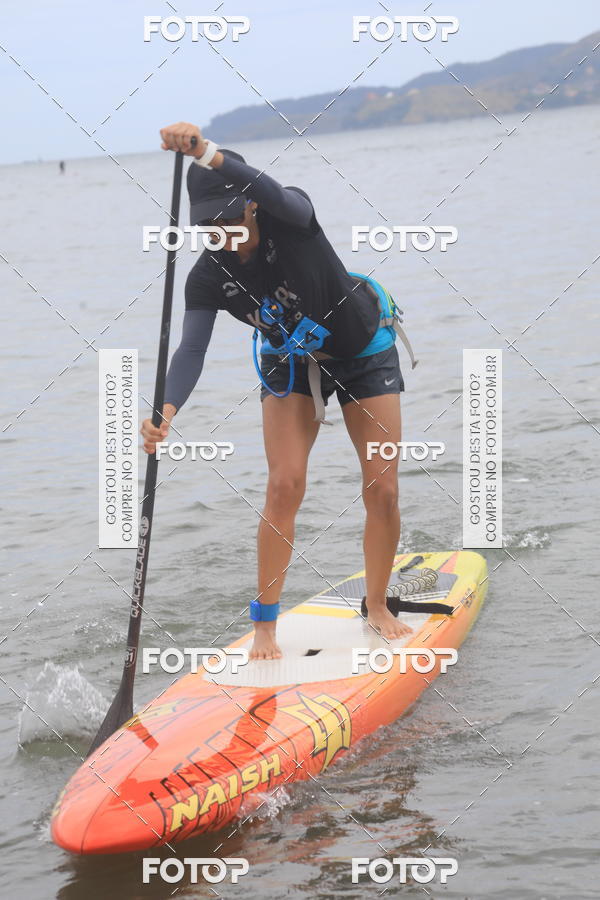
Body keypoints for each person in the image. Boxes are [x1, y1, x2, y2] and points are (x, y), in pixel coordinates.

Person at [141, 121, 412, 660]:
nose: (222, 232)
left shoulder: (294, 218)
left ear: (252, 207)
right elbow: (190, 349)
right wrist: (165, 411)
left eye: (230, 218)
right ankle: (264, 626)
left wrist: (204, 151)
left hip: (362, 351)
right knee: (283, 486)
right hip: (288, 363)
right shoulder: (207, 276)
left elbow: (266, 185)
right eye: (208, 225)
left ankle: (377, 605)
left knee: (380, 488)